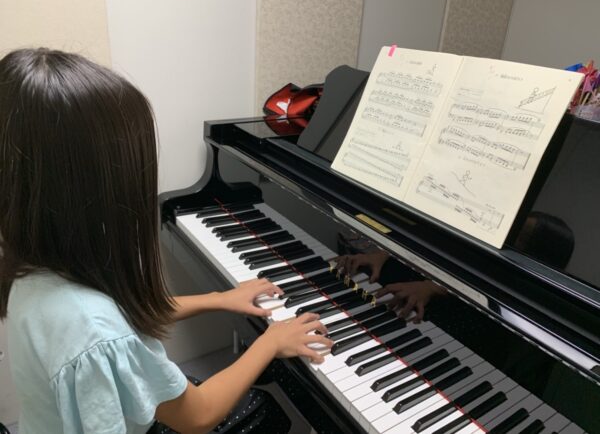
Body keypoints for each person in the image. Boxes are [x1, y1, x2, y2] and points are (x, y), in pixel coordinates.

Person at [0, 48, 332, 434]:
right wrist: (270, 342)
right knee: (262, 410)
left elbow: (126, 314)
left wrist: (218, 299)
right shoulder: (94, 328)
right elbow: (198, 416)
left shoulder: (34, 268)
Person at [335, 211, 575, 322]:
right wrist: (384, 253)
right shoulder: (480, 238)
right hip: (394, 289)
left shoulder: (518, 307)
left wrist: (433, 288)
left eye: (519, 240)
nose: (505, 241)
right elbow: (429, 239)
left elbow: (488, 287)